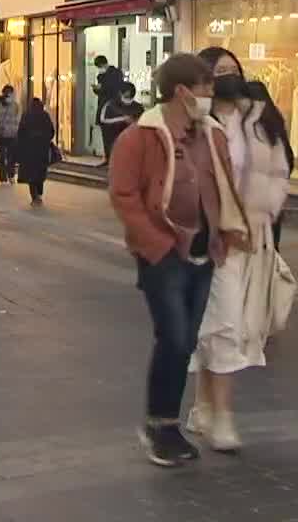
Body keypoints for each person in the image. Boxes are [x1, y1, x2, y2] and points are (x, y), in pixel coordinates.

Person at [109, 53, 245, 468]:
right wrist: (154, 242)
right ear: (182, 91)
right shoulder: (140, 137)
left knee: (185, 340)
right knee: (175, 337)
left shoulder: (212, 134)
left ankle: (164, 424)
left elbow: (223, 186)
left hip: (206, 251)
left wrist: (228, 232)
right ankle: (161, 424)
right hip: (164, 253)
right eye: (205, 88)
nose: (210, 96)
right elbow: (123, 194)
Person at [186, 48, 291, 452]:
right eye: (219, 70)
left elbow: (280, 171)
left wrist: (263, 218)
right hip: (208, 241)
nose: (229, 76)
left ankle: (208, 409)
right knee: (220, 325)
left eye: (234, 69)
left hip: (250, 240)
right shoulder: (195, 122)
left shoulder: (261, 119)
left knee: (235, 326)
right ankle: (218, 415)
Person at [244, 80, 292, 248]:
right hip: (270, 210)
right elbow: (288, 162)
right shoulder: (276, 125)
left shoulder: (252, 128)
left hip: (257, 210)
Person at [13, 95, 57, 206]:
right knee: (40, 172)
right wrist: (45, 140)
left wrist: (20, 148)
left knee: (31, 175)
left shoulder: (26, 115)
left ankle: (34, 197)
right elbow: (51, 131)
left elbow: (20, 133)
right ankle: (40, 193)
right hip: (42, 150)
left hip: (29, 151)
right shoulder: (45, 115)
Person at [98, 81, 144, 165]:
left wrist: (134, 122)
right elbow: (103, 120)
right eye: (126, 96)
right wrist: (122, 119)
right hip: (114, 137)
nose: (128, 99)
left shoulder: (138, 107)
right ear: (120, 94)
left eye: (130, 97)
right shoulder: (111, 105)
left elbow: (143, 122)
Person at [0, 85, 21, 184]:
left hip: (4, 133)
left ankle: (5, 177)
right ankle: (9, 176)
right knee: (8, 156)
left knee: (4, 157)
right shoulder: (14, 104)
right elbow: (17, 118)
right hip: (8, 134)